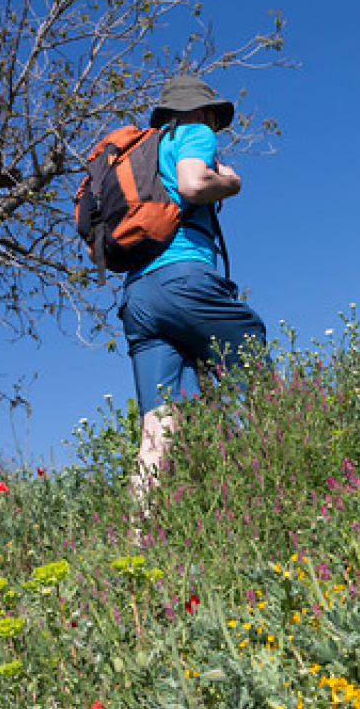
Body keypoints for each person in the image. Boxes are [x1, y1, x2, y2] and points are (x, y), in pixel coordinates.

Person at [120, 74, 268, 499]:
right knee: (252, 360)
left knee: (158, 426)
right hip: (184, 279)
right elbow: (192, 183)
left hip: (138, 298)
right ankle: (276, 486)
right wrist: (232, 182)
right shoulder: (193, 130)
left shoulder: (146, 152)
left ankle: (136, 528)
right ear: (202, 110)